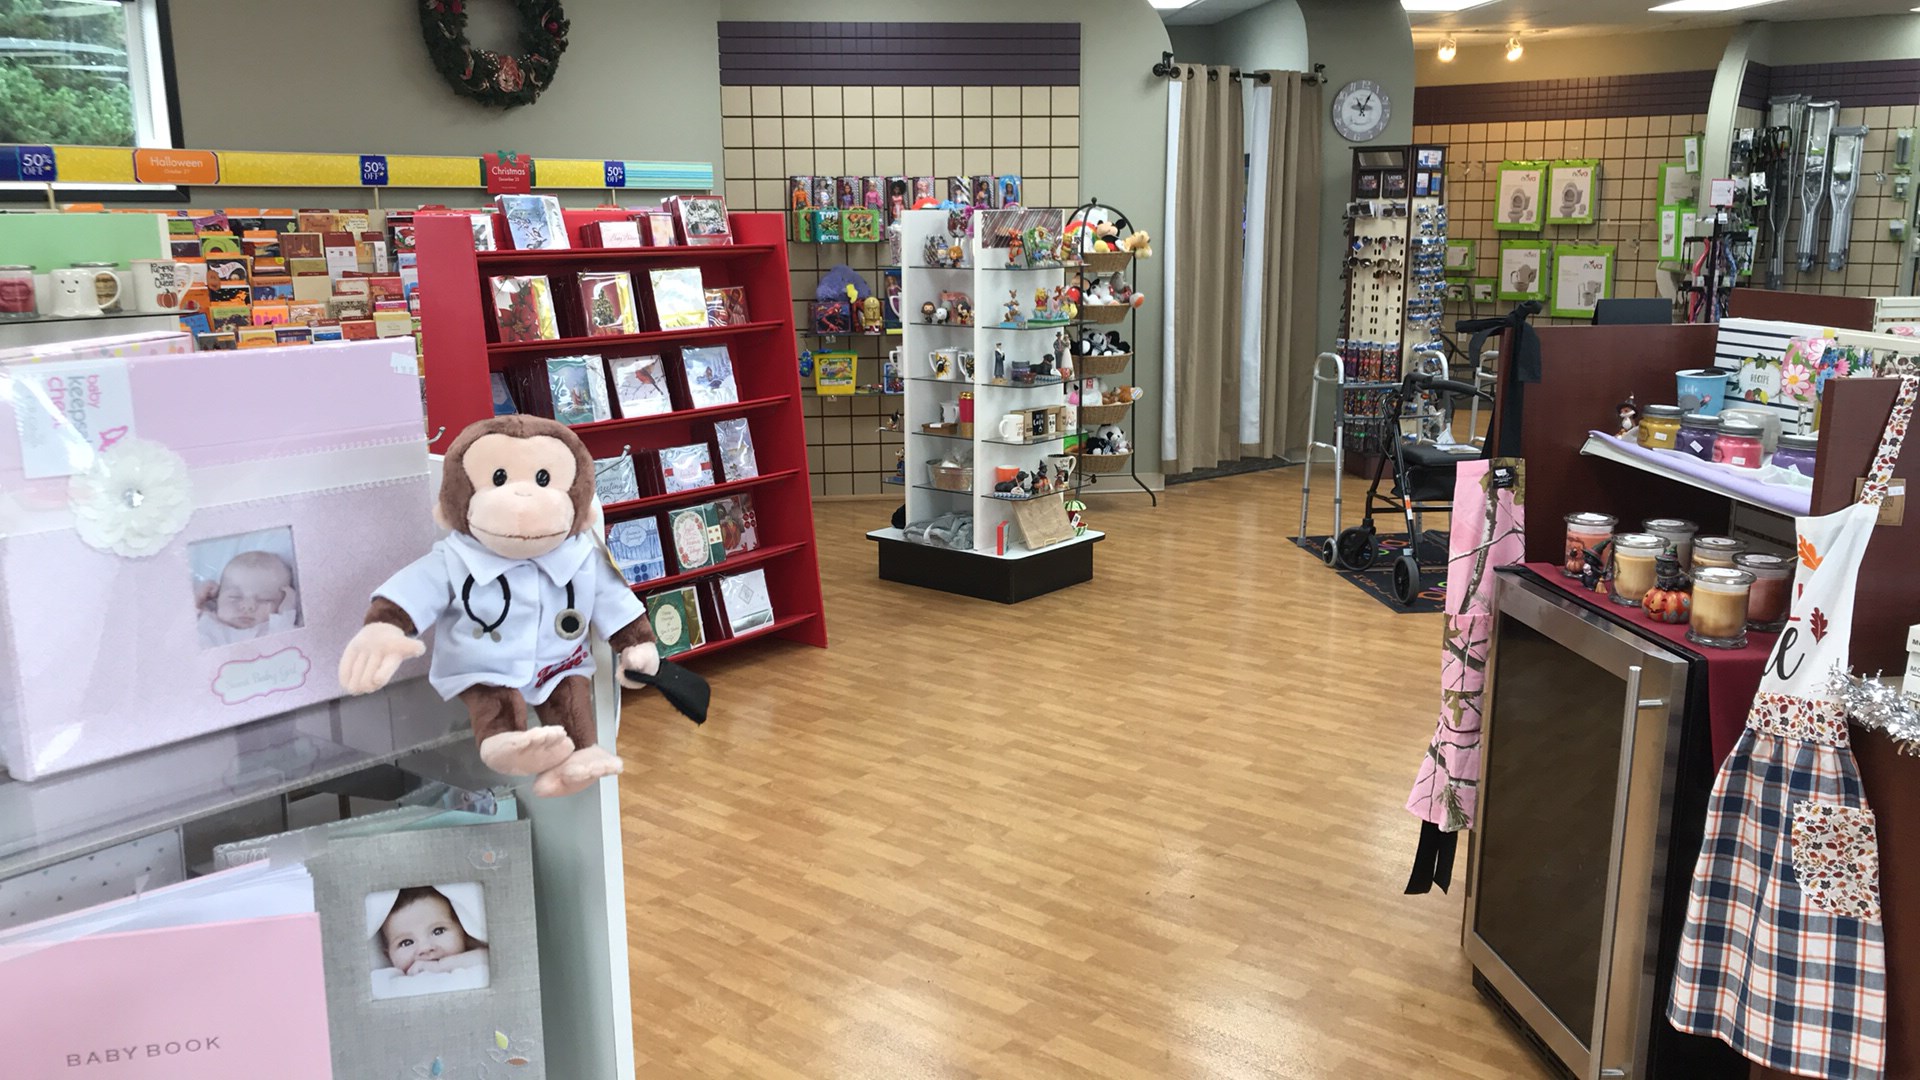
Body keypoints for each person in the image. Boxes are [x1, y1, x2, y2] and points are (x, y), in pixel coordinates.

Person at [378, 886, 489, 978]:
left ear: (463, 932)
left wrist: (441, 966)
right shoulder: (389, 981)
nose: (425, 948)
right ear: (388, 956)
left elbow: (490, 957)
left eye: (438, 931)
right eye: (406, 942)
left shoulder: (474, 962)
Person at [196, 550, 299, 647]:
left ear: (280, 603)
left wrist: (286, 613)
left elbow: (286, 643)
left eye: (264, 599)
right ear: (217, 598)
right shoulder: (207, 619)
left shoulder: (274, 629)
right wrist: (199, 598)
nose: (247, 606)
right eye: (235, 597)